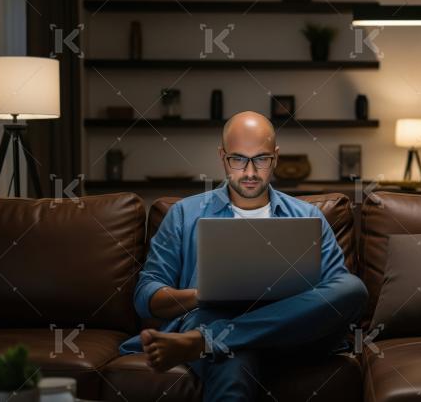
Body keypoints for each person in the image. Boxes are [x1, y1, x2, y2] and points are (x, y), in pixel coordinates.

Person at [118, 111, 368, 401]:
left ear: (276, 157)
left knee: (353, 287)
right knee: (232, 357)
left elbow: (337, 295)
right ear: (222, 157)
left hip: (290, 331)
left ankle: (205, 341)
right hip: (210, 317)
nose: (250, 172)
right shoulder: (184, 214)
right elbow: (146, 296)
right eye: (238, 159)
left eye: (261, 159)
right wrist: (202, 295)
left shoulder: (307, 217)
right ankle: (215, 338)